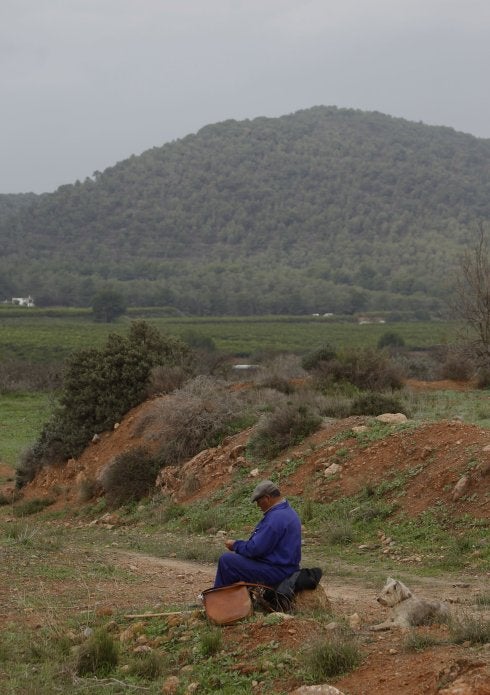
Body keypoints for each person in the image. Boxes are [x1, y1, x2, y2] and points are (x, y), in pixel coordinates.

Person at [213, 480, 302, 588]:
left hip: (278, 571)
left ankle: (220, 600)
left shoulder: (275, 518)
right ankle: (239, 598)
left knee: (227, 561)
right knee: (240, 559)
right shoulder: (288, 512)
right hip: (288, 568)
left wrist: (235, 545)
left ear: (267, 498)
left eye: (258, 501)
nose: (258, 506)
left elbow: (255, 549)